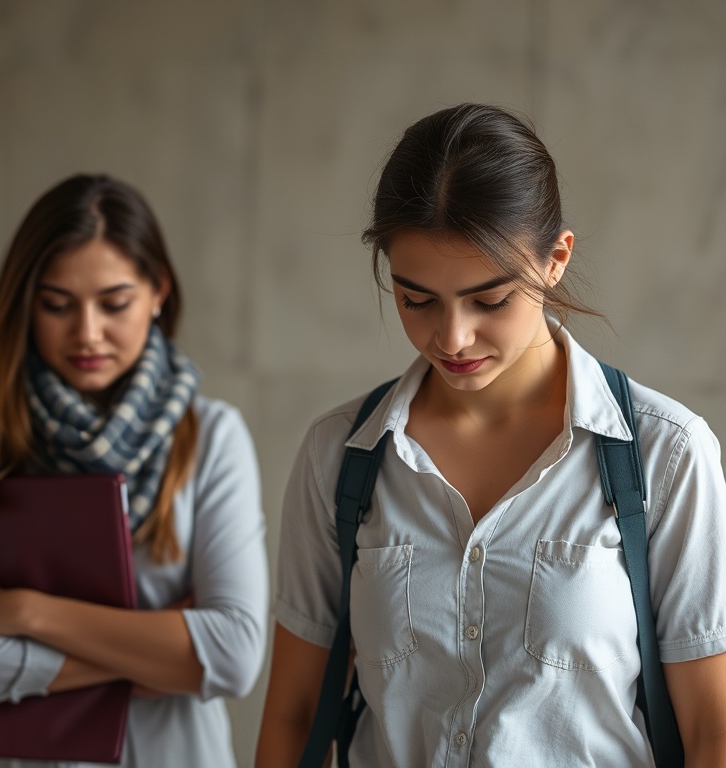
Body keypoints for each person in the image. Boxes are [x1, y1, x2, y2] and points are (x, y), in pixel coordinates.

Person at [255, 103, 726, 766]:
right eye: (417, 299)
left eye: (490, 300)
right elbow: (295, 714)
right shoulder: (340, 455)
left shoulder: (666, 454)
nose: (452, 338)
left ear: (556, 259)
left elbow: (711, 731)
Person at [0, 173, 268, 768]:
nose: (87, 332)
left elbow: (235, 655)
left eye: (114, 303)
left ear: (158, 291)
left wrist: (27, 613)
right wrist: (154, 650)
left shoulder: (212, 436)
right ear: (25, 302)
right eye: (57, 304)